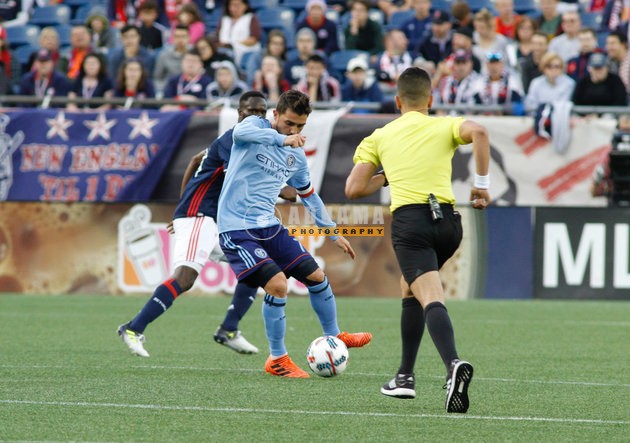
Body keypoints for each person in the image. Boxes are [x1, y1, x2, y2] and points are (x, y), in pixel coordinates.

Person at [345, 66, 490, 413]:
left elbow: (354, 188)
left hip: (412, 225)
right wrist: (481, 184)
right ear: (431, 99)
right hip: (449, 224)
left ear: (397, 101)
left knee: (430, 295)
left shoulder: (380, 136)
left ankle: (453, 365)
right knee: (409, 287)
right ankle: (404, 377)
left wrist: (388, 175)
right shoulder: (444, 125)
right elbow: (481, 132)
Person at [217, 90, 372, 378]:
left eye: (300, 126)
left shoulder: (296, 156)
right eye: (289, 123)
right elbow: (239, 133)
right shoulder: (254, 126)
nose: (294, 131)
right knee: (277, 284)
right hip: (236, 228)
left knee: (316, 276)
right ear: (275, 114)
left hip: (268, 226)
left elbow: (308, 195)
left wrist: (333, 233)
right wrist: (282, 139)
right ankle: (277, 359)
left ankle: (334, 336)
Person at [118, 91, 276, 357]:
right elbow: (243, 177)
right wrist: (186, 208)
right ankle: (133, 328)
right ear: (240, 114)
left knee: (257, 267)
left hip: (214, 221)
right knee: (185, 277)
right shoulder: (233, 139)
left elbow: (195, 160)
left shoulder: (246, 140)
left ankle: (228, 329)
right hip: (200, 216)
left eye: (262, 112)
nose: (258, 116)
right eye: (252, 111)